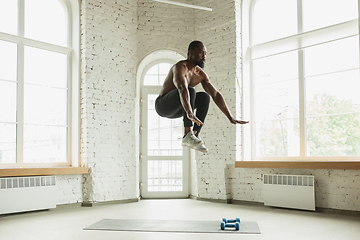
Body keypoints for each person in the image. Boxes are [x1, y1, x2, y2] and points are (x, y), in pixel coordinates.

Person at [155, 41, 249, 153]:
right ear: (191, 52)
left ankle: (195, 135)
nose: (204, 56)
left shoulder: (200, 74)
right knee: (190, 90)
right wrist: (190, 112)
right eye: (201, 53)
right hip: (163, 106)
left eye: (205, 53)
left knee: (205, 97)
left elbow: (216, 95)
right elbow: (182, 88)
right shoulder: (180, 67)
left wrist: (230, 117)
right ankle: (187, 133)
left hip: (180, 109)